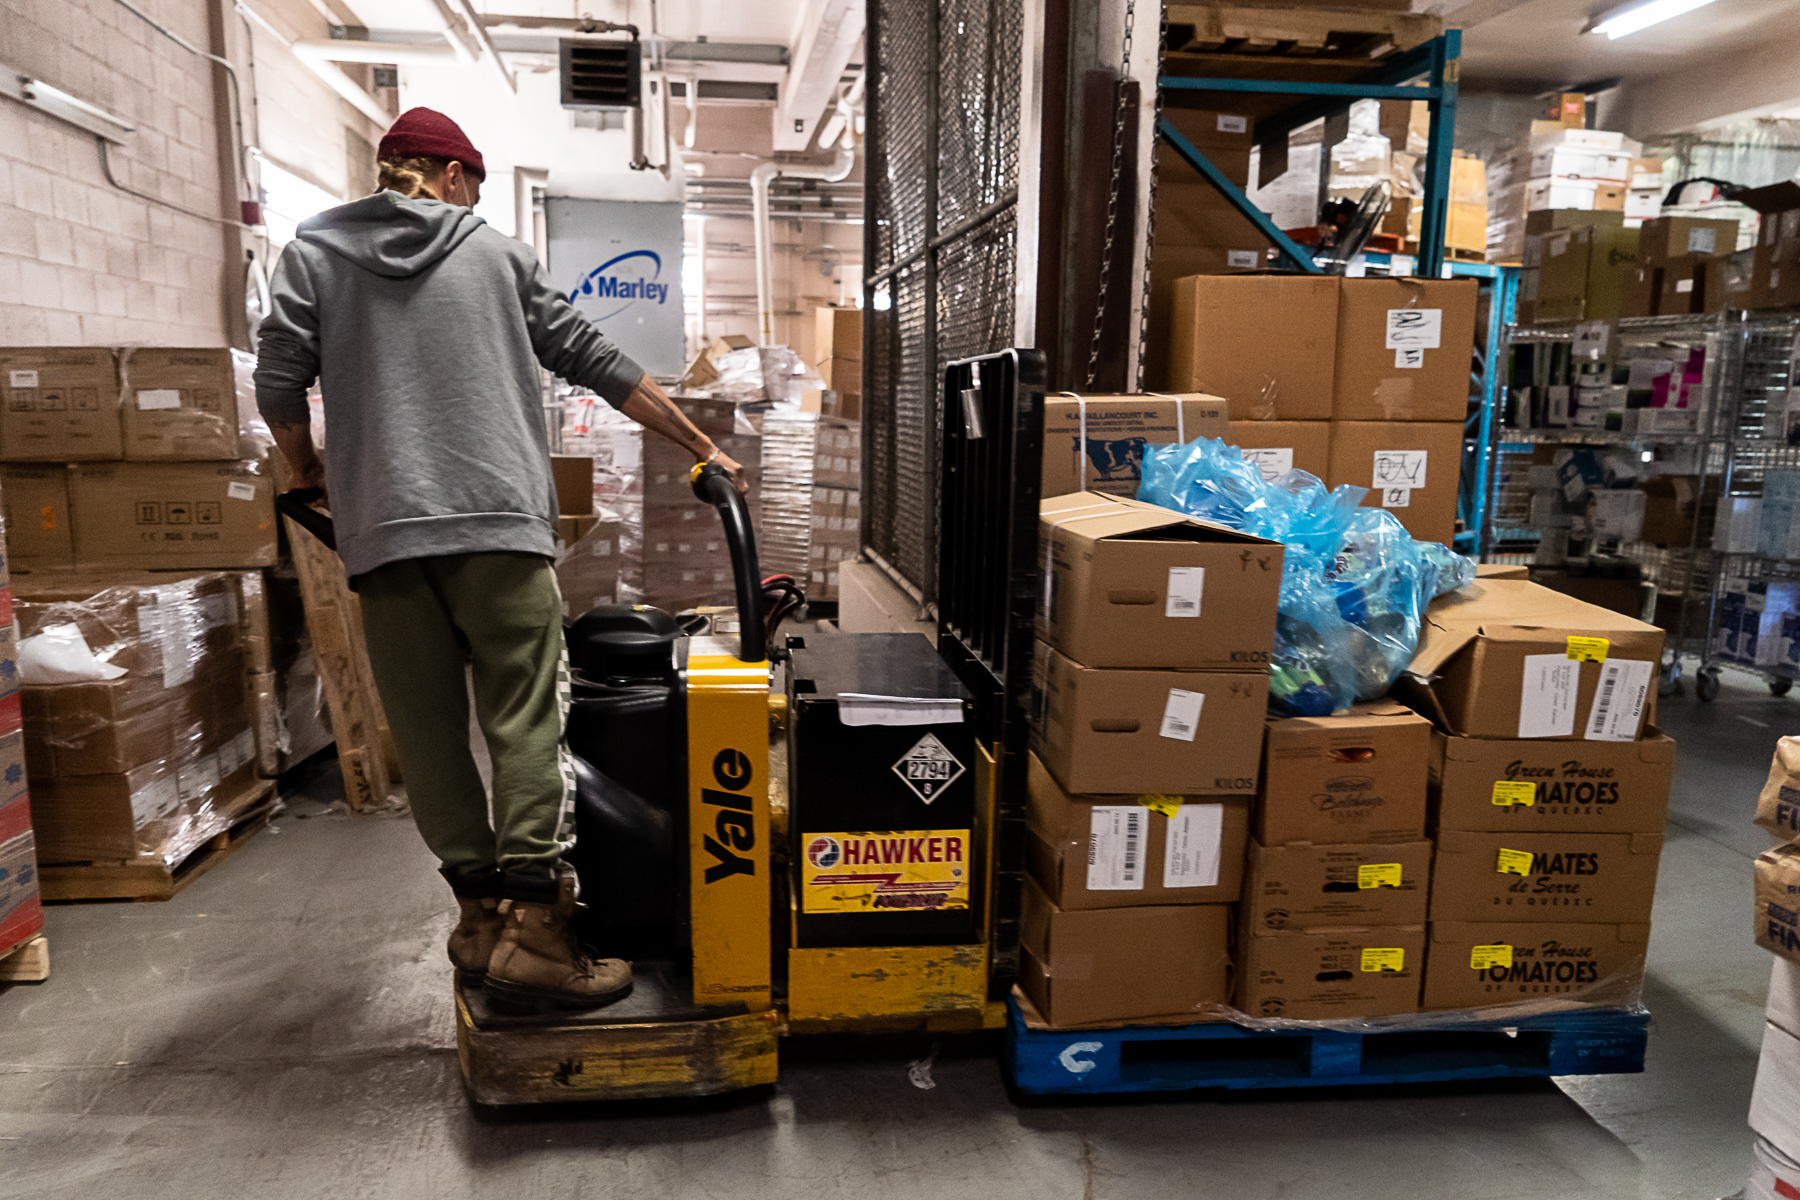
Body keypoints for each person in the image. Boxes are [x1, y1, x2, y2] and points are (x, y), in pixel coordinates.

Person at [254, 107, 746, 1008]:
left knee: (428, 733)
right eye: (471, 189)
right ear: (451, 176)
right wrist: (700, 443)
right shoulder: (496, 255)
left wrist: (307, 469)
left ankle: (479, 922)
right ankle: (540, 938)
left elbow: (279, 378)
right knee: (524, 720)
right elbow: (596, 358)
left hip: (384, 537)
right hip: (499, 531)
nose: (471, 204)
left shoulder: (312, 255)